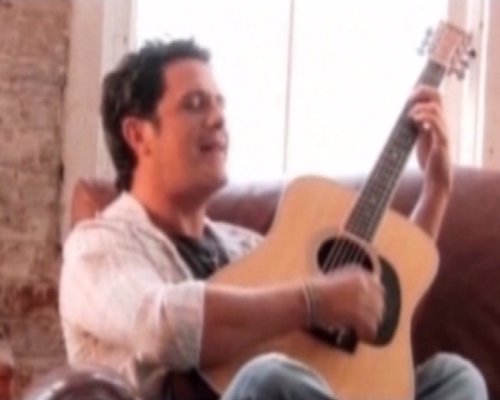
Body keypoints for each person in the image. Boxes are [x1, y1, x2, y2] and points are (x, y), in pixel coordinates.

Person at [59, 39, 487, 400]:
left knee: (454, 377)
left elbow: (386, 298)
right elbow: (164, 328)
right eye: (195, 104)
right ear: (138, 135)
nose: (219, 118)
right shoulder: (97, 246)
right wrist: (315, 300)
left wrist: (436, 190)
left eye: (220, 104)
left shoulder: (245, 244)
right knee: (269, 379)